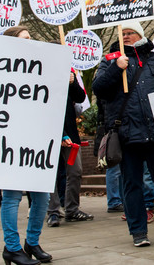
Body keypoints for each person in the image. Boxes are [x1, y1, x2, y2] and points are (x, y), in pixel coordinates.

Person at [92, 20, 154, 248]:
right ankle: (138, 232)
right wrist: (116, 68)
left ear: (140, 35)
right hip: (127, 135)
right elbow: (99, 89)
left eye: (130, 32)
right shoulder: (110, 61)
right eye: (122, 33)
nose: (125, 36)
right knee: (132, 185)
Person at [0, 26, 54, 265]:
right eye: (25, 39)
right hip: (11, 140)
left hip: (36, 140)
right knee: (12, 197)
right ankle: (12, 247)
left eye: (30, 38)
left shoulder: (40, 68)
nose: (30, 42)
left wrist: (65, 81)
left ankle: (32, 242)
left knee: (42, 198)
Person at [46, 44, 91, 227]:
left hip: (71, 132)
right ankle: (53, 211)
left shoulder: (69, 72)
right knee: (51, 173)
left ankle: (72, 208)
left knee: (75, 171)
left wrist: (72, 82)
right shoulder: (42, 73)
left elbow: (80, 97)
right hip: (49, 132)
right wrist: (61, 134)